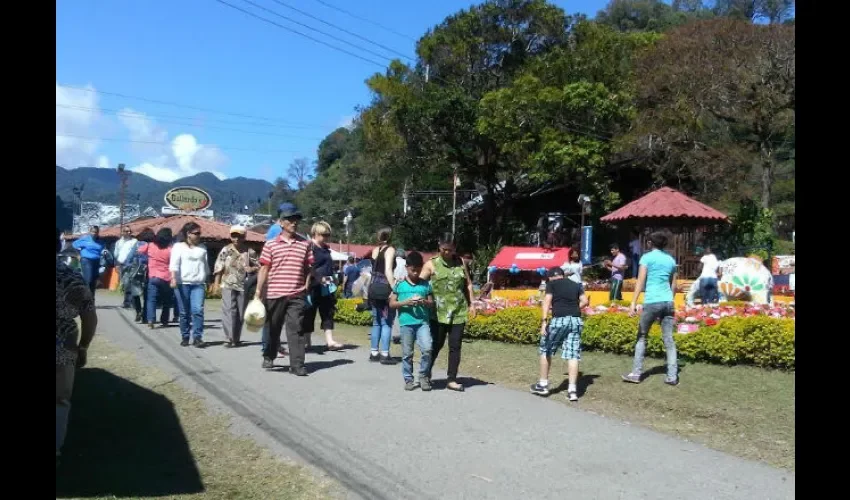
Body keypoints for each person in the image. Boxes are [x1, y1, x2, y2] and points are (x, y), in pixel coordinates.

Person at [255, 203, 313, 375]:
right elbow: (264, 268)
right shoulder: (270, 245)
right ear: (281, 222)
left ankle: (297, 365)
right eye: (289, 219)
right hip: (274, 294)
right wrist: (258, 292)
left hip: (296, 294)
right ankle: (269, 355)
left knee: (296, 329)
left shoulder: (305, 244)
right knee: (273, 328)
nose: (294, 222)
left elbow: (309, 267)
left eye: (296, 219)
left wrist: (307, 283)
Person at [56, 229, 98, 463]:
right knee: (59, 399)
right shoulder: (70, 276)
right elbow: (90, 317)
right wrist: (83, 347)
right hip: (62, 345)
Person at [420, 234, 476, 392]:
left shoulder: (461, 262)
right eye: (444, 249)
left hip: (458, 311)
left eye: (450, 250)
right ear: (439, 246)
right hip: (438, 312)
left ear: (455, 248)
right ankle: (425, 373)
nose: (446, 253)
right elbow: (421, 284)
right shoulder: (431, 264)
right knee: (435, 345)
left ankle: (451, 379)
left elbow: (468, 285)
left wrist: (472, 304)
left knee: (455, 346)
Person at [623, 230, 679, 386]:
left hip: (652, 301)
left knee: (641, 337)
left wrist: (633, 302)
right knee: (669, 339)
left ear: (649, 243)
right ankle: (672, 376)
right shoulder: (671, 260)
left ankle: (636, 373)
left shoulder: (646, 258)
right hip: (668, 301)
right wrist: (670, 301)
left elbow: (640, 281)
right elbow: (673, 285)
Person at [530, 267, 588, 402]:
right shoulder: (576, 285)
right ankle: (572, 390)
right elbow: (585, 301)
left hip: (559, 320)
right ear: (562, 275)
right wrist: (573, 308)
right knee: (573, 354)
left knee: (546, 349)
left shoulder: (551, 285)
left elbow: (546, 302)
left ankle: (543, 384)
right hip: (575, 320)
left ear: (550, 278)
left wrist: (544, 321)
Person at [389, 251, 434, 391]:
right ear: (407, 268)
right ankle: (408, 379)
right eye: (412, 270)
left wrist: (424, 302)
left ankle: (423, 376)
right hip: (406, 323)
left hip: (422, 323)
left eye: (418, 270)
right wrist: (406, 302)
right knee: (407, 353)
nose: (415, 273)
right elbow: (392, 304)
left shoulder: (425, 285)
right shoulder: (400, 285)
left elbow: (432, 303)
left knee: (427, 349)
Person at [213, 226, 258, 348]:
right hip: (228, 283)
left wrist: (252, 268)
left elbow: (258, 265)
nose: (236, 239)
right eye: (234, 236)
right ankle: (229, 338)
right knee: (228, 310)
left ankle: (236, 338)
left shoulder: (249, 252)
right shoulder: (226, 250)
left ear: (244, 237)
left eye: (239, 236)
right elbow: (219, 266)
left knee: (240, 312)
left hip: (243, 285)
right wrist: (216, 283)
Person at [302, 221, 344, 351]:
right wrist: (317, 279)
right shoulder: (309, 247)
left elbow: (328, 266)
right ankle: (307, 341)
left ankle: (329, 341)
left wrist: (335, 278)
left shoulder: (326, 249)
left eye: (327, 235)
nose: (326, 237)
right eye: (323, 234)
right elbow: (308, 267)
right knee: (309, 313)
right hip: (313, 285)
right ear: (315, 233)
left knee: (327, 312)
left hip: (327, 285)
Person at [170, 222, 210, 348]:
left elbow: (206, 265)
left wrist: (208, 280)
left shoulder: (202, 248)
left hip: (198, 283)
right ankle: (185, 336)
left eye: (200, 233)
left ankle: (198, 337)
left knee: (197, 310)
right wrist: (173, 278)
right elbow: (174, 264)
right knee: (184, 312)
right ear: (188, 234)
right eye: (196, 233)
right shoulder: (178, 247)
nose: (199, 236)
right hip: (183, 283)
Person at [368, 227, 397, 364]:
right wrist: (395, 288)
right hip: (384, 289)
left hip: (373, 288)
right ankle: (385, 354)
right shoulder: (390, 250)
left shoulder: (374, 250)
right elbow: (388, 271)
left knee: (376, 322)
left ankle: (374, 352)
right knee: (387, 322)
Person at [140, 227, 174, 328]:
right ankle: (164, 320)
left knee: (151, 299)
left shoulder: (150, 245)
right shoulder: (170, 250)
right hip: (166, 278)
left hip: (153, 276)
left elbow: (139, 251)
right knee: (166, 300)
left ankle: (151, 320)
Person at [121, 228, 154, 323]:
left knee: (135, 293)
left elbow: (130, 257)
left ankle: (138, 311)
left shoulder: (138, 244)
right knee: (147, 295)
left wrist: (127, 266)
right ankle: (145, 315)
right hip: (149, 271)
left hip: (136, 270)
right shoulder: (153, 245)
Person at [72, 226, 104, 298]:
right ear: (90, 232)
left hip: (96, 261)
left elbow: (102, 250)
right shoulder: (85, 239)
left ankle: (91, 298)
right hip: (86, 260)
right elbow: (74, 245)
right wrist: (78, 255)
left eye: (96, 232)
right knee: (88, 279)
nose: (94, 233)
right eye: (93, 232)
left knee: (93, 280)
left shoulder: (100, 242)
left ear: (98, 233)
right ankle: (85, 297)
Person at [115, 227, 138, 308]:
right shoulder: (118, 242)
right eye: (126, 231)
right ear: (122, 232)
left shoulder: (134, 241)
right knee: (125, 283)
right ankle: (127, 302)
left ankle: (130, 302)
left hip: (131, 265)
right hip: (121, 264)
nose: (128, 232)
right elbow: (116, 254)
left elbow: (136, 253)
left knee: (130, 283)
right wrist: (117, 265)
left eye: (129, 231)